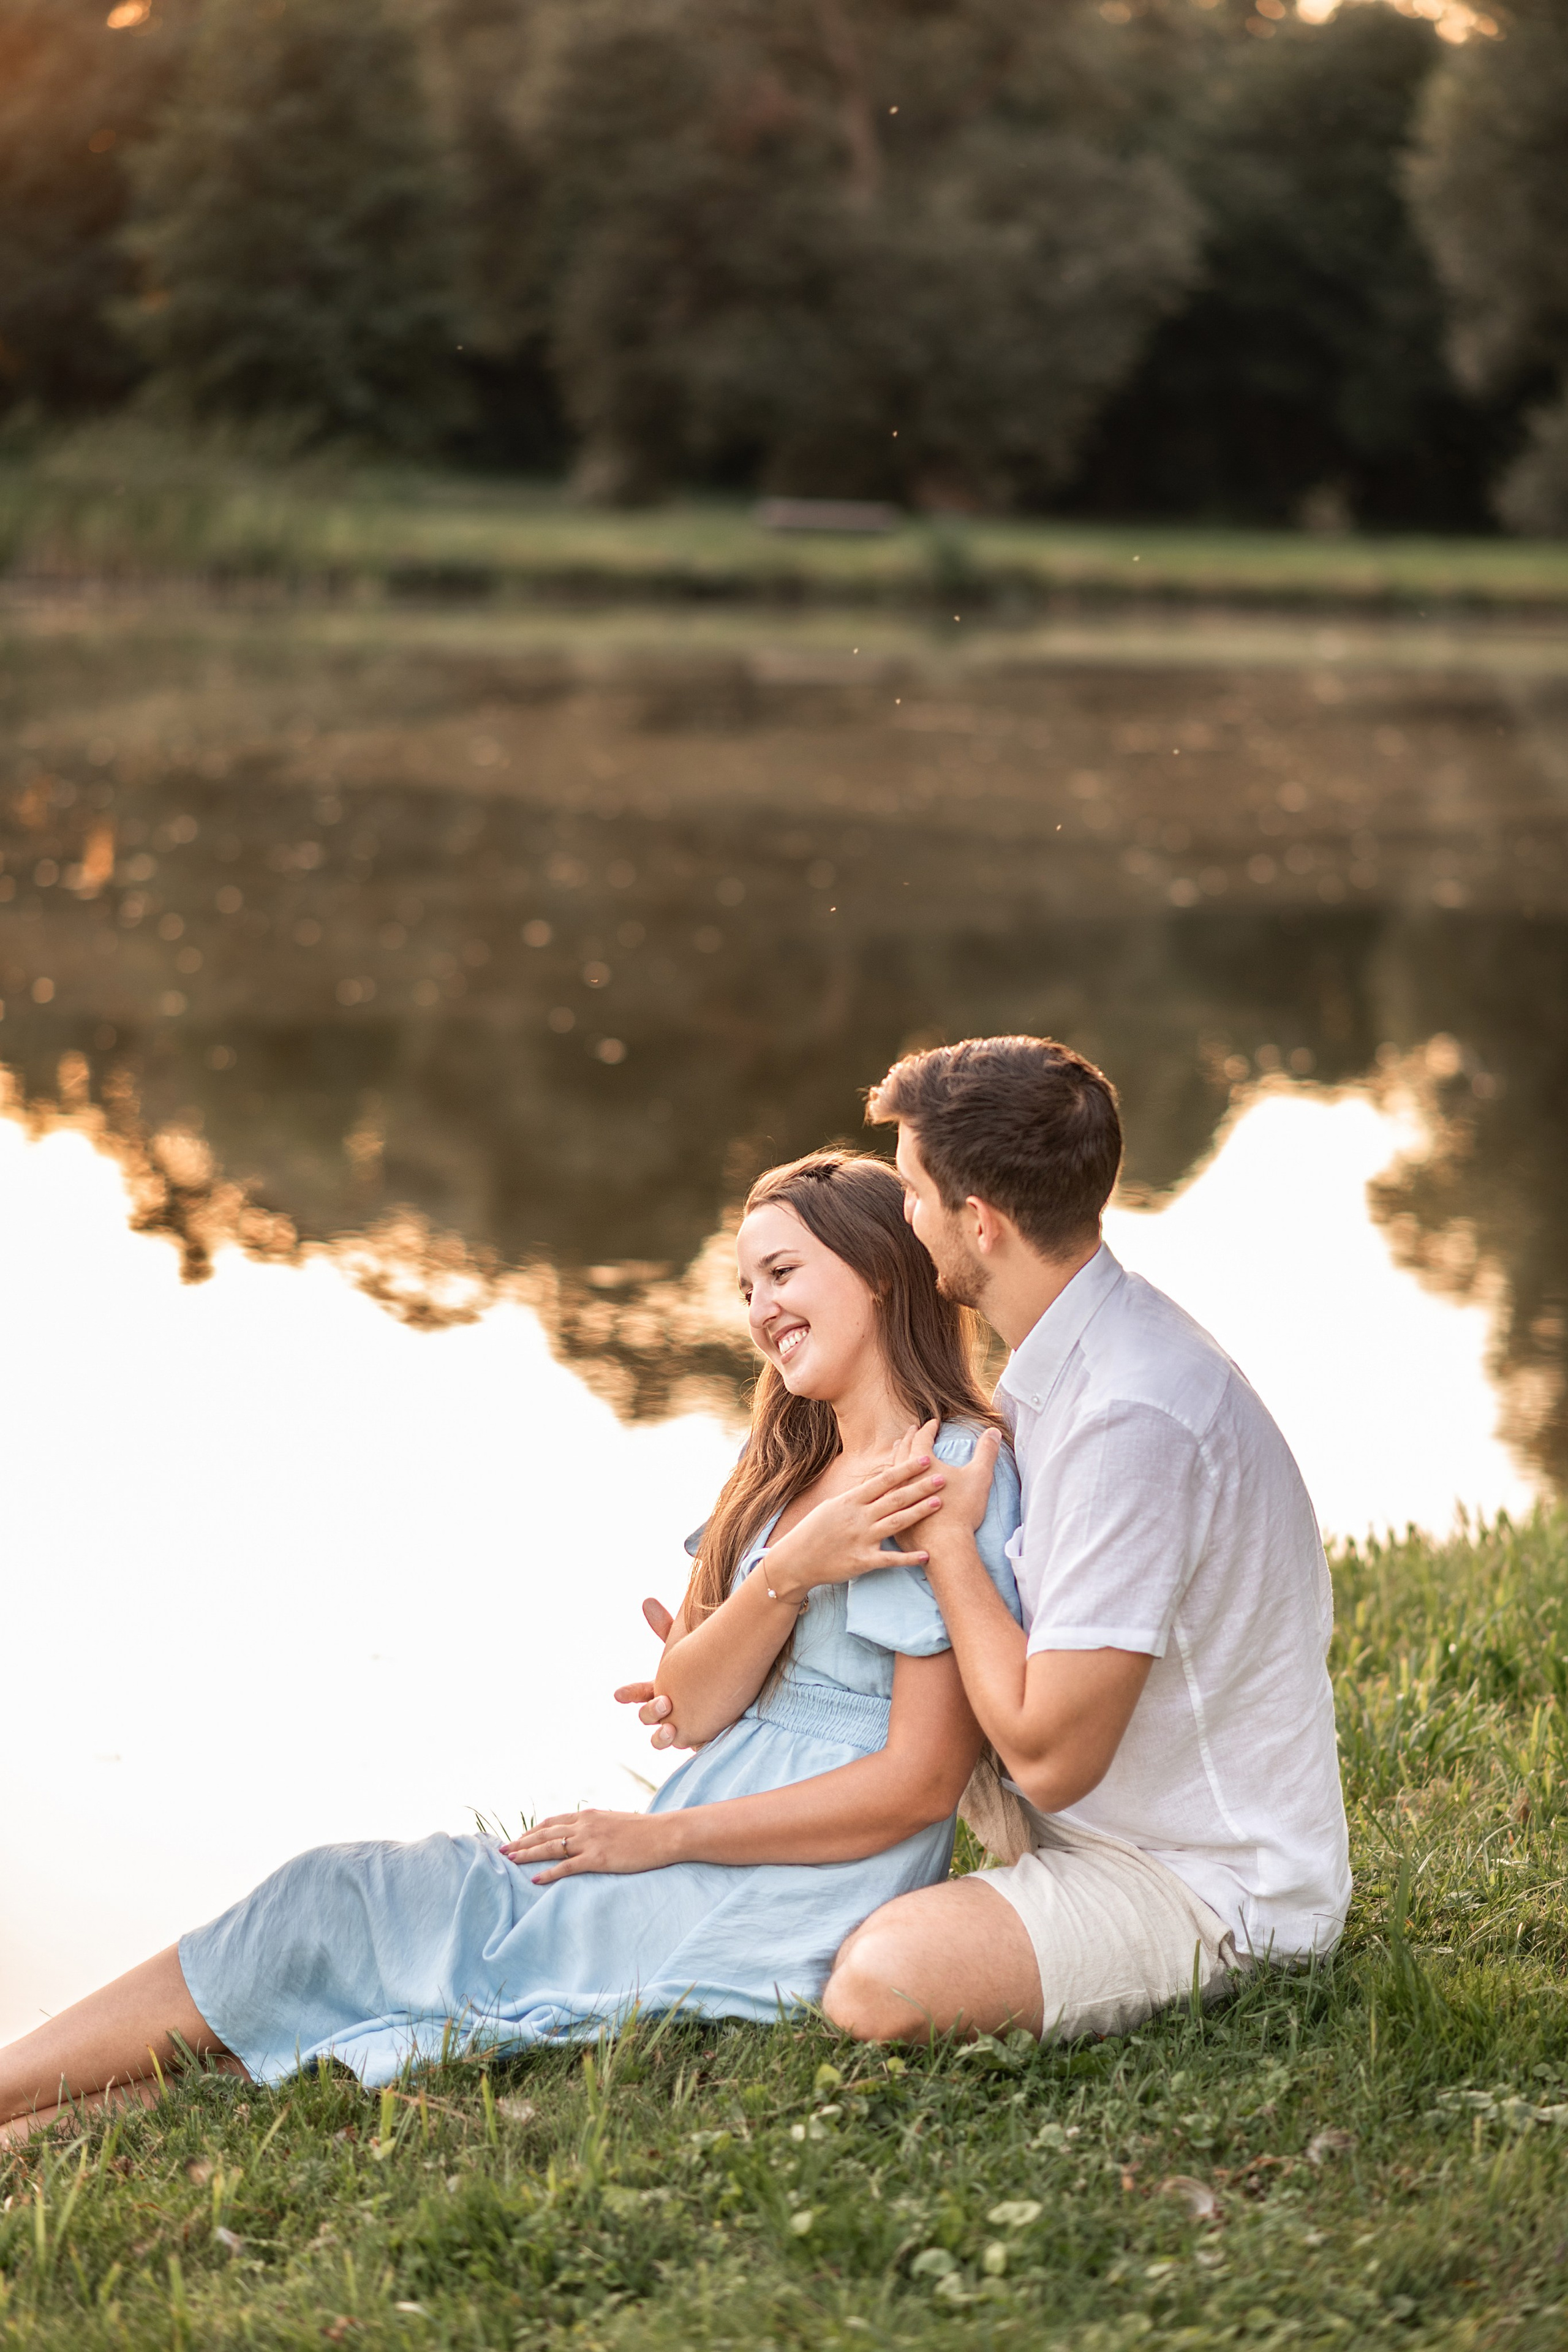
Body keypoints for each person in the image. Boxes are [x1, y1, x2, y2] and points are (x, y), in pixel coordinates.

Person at [0, 1152, 1020, 2144]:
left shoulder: (949, 1470)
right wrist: (787, 1572)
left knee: (341, 1904)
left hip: (779, 1889)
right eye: (747, 1284)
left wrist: (659, 1839)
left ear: (884, 1270)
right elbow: (694, 1706)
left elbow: (920, 1784)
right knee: (343, 1944)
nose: (759, 1310)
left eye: (783, 1273)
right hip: (697, 1841)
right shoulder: (792, 1469)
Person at [628, 1036, 1351, 2045]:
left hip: (1201, 1883)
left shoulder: (1130, 1418)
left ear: (979, 1223)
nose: (904, 1220)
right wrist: (760, 1619)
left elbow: (1049, 1760)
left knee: (880, 1980)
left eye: (915, 1195)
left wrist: (954, 1552)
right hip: (1087, 1838)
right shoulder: (1064, 1366)